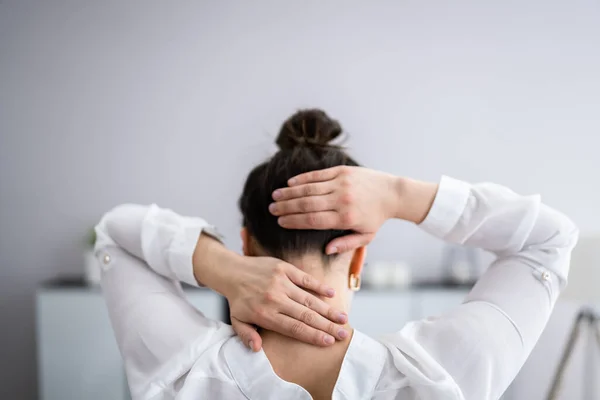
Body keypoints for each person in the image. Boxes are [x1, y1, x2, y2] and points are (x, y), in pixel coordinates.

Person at [95, 109, 578, 400]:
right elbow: (548, 240)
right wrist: (399, 195)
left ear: (247, 245)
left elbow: (115, 235)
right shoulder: (443, 374)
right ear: (360, 258)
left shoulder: (182, 369)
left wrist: (220, 269)